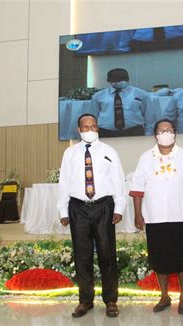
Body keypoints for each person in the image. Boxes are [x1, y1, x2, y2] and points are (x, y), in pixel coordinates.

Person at [129, 119, 183, 314]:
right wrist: (138, 215)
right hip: (155, 217)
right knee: (159, 259)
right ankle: (164, 296)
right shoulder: (146, 158)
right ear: (155, 135)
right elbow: (137, 189)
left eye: (169, 130)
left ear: (175, 133)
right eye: (162, 131)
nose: (165, 133)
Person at [57, 113, 126, 318]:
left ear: (98, 128)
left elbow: (118, 180)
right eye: (85, 127)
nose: (90, 130)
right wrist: (63, 209)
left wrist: (119, 208)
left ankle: (111, 300)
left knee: (107, 254)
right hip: (78, 208)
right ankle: (85, 300)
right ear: (79, 130)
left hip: (104, 207)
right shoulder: (69, 153)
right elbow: (64, 182)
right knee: (82, 255)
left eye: (93, 126)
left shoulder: (109, 151)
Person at [89, 68, 159, 137]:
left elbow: (150, 116)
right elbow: (92, 117)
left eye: (123, 80)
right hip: (106, 133)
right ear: (108, 80)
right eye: (117, 81)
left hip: (134, 132)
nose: (121, 82)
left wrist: (148, 134)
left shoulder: (140, 94)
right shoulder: (99, 96)